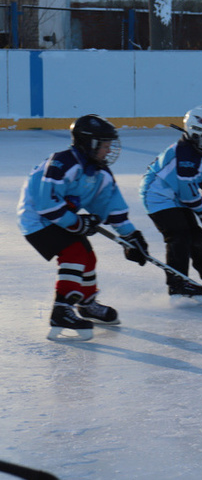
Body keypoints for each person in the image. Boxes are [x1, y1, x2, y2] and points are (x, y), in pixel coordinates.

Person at [17, 114, 149, 341]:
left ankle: (86, 305)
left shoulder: (100, 173)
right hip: (37, 220)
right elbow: (46, 205)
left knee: (88, 256)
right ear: (90, 143)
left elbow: (111, 207)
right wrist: (79, 223)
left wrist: (131, 236)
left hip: (62, 219)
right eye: (105, 146)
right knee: (75, 253)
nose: (109, 151)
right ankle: (61, 309)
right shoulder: (62, 163)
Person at [140, 105, 202, 305]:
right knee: (179, 235)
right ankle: (177, 283)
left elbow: (193, 178)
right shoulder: (186, 155)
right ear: (196, 135)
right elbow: (189, 197)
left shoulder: (194, 151)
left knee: (196, 235)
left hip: (172, 196)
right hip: (158, 198)